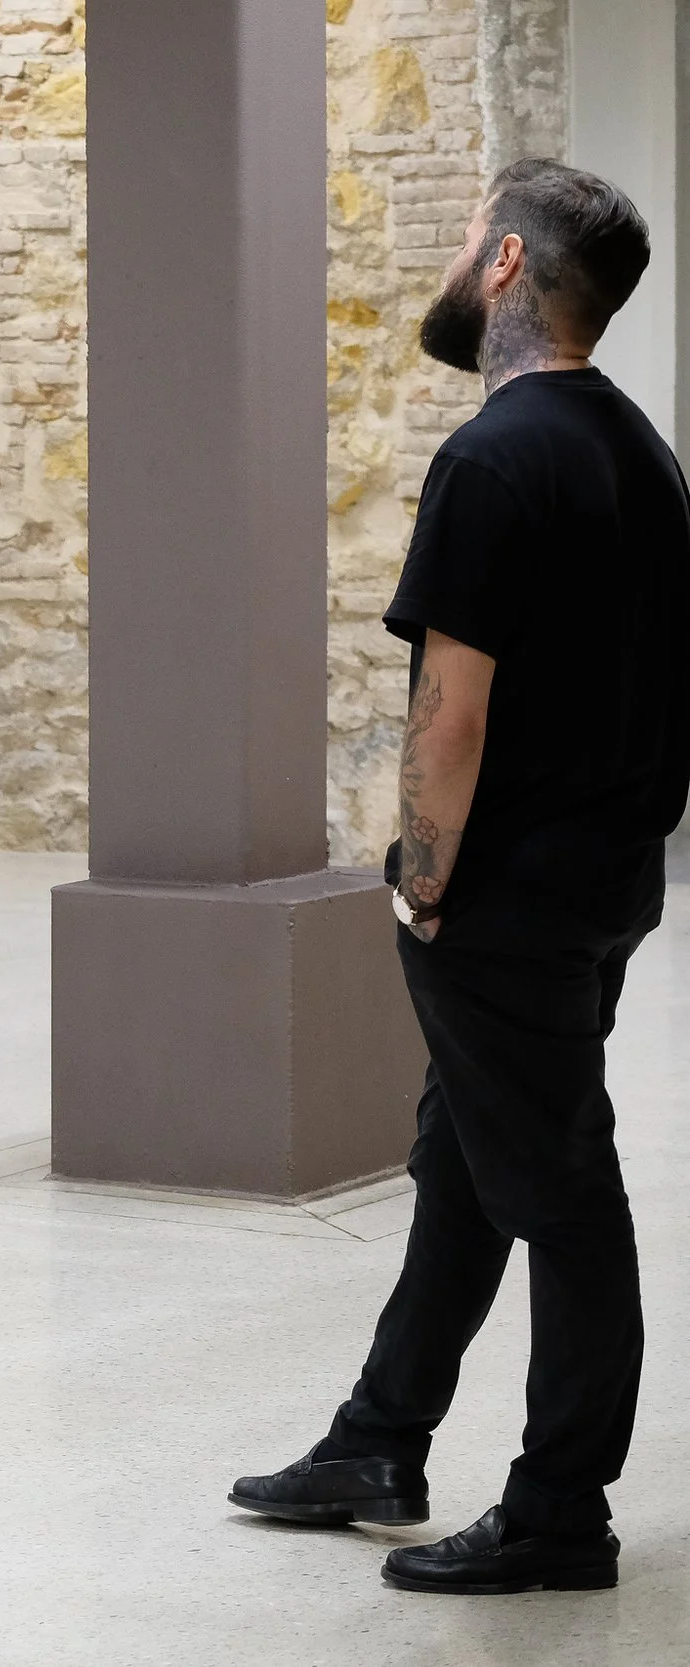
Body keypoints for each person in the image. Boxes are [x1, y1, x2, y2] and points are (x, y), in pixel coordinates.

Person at [230, 161, 690, 1595]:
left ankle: (561, 1509)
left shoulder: (493, 459)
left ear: (503, 265)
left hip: (507, 897)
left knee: (561, 1189)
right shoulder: (643, 453)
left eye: (461, 238)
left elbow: (450, 713)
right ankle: (378, 1436)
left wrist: (422, 885)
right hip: (605, 880)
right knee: (468, 1158)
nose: (448, 260)